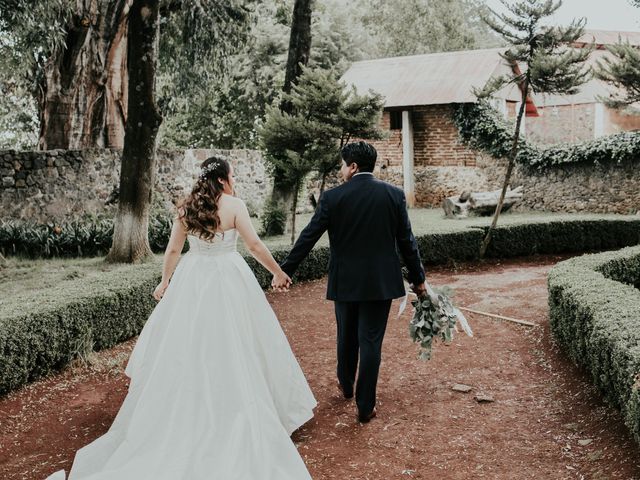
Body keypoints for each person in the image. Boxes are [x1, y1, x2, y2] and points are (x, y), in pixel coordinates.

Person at [45, 156, 316, 480]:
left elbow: (173, 251)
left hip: (194, 279)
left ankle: (186, 410)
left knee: (189, 345)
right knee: (239, 341)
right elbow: (255, 245)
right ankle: (240, 407)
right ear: (223, 179)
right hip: (229, 278)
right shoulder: (234, 205)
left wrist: (165, 281)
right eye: (232, 175)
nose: (235, 180)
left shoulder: (187, 207)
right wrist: (278, 272)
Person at [275, 141, 426, 424]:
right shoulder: (393, 195)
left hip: (345, 282)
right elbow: (407, 242)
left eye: (343, 165)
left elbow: (308, 236)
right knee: (371, 341)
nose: (341, 170)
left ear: (353, 166)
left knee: (346, 335)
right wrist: (419, 281)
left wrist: (286, 270)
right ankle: (365, 406)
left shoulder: (333, 198)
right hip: (380, 283)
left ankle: (346, 385)